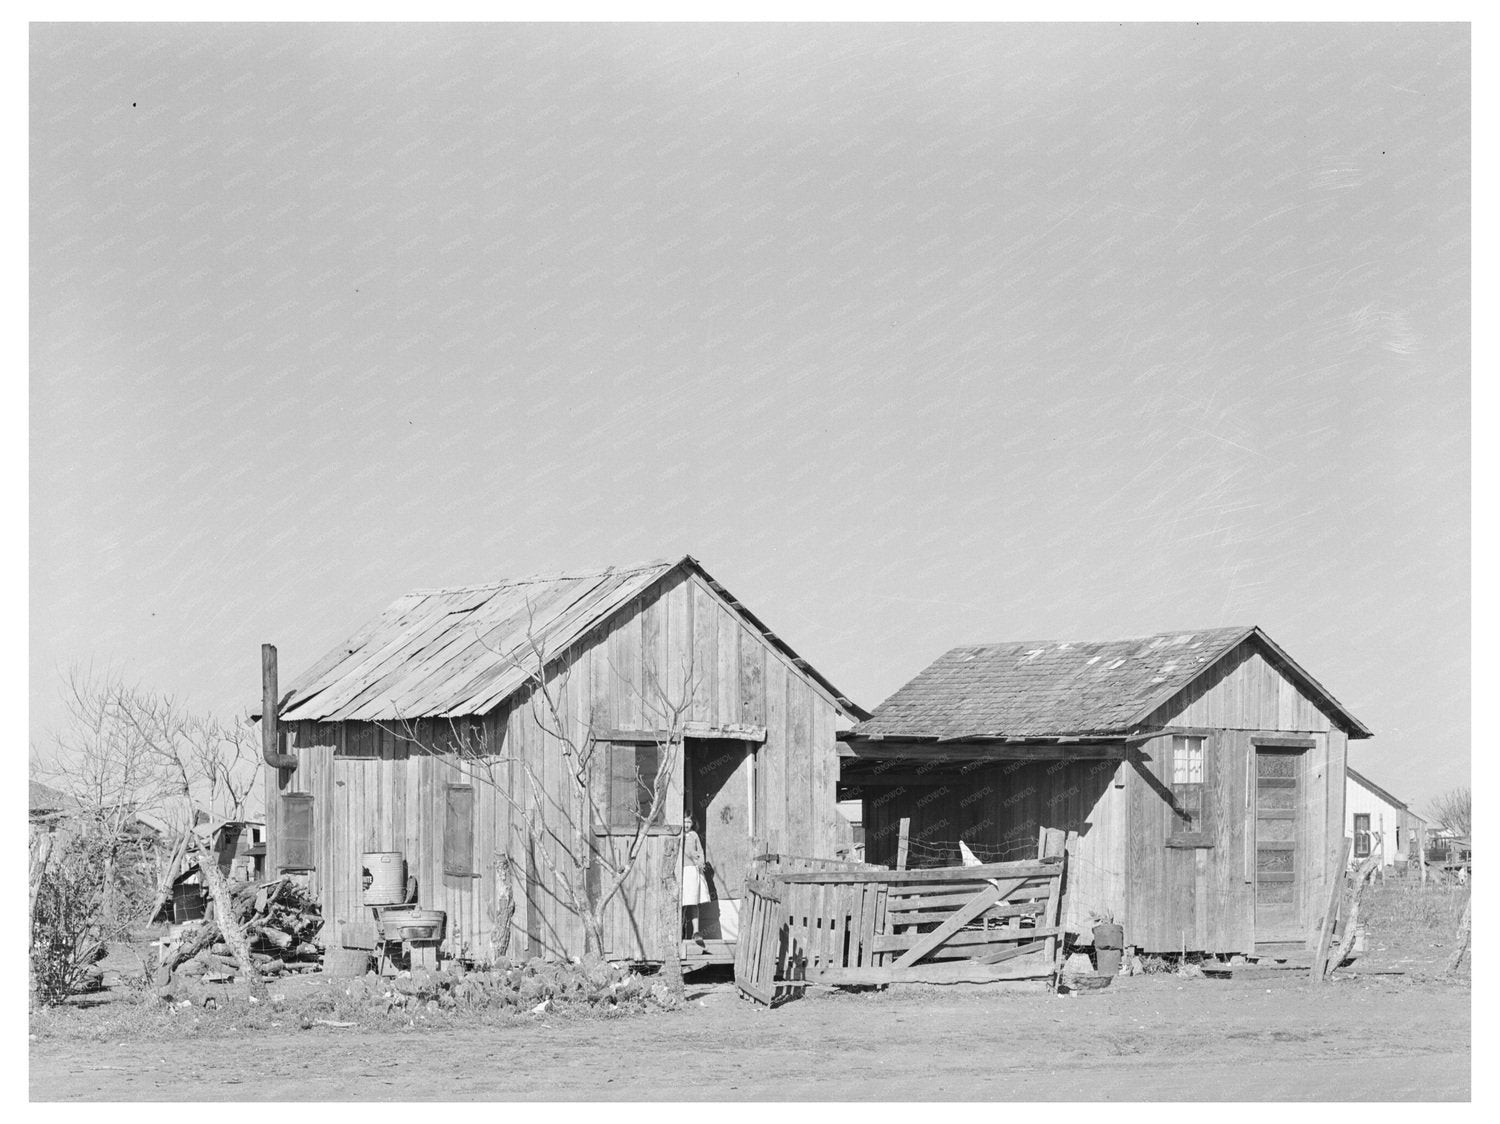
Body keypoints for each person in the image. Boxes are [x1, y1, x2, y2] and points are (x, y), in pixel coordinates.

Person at [681, 826, 710, 941]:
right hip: (682, 871)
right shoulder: (678, 834)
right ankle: (680, 931)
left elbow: (700, 851)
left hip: (693, 870)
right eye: (684, 821)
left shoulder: (694, 835)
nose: (687, 824)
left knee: (693, 902)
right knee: (682, 903)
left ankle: (695, 931)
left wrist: (701, 863)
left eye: (689, 821)